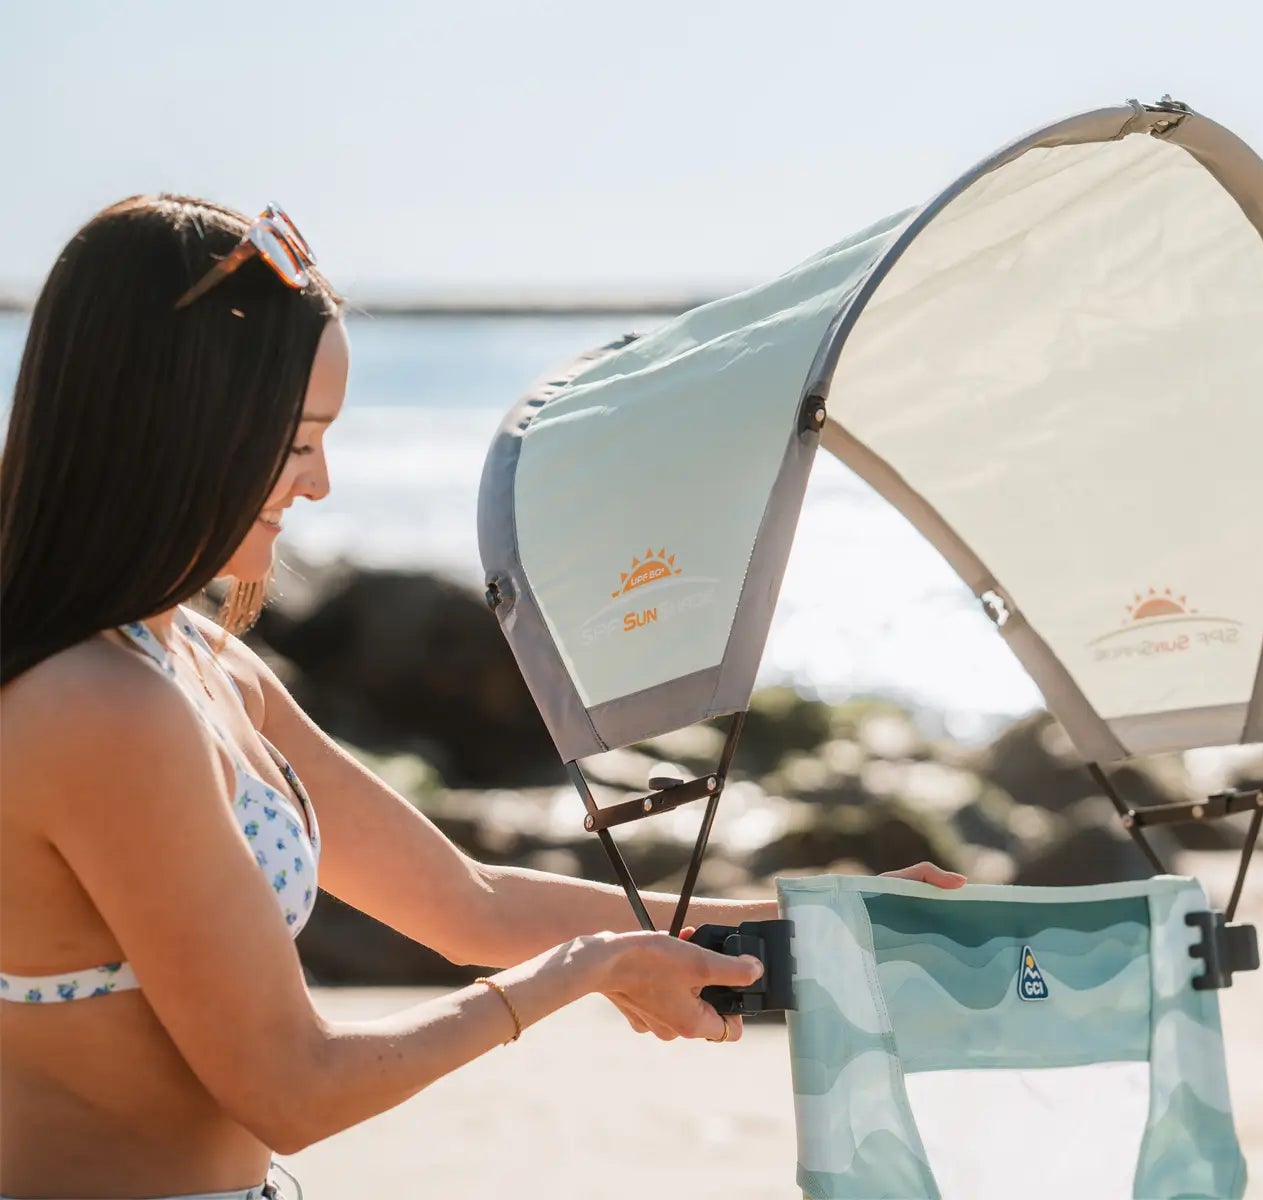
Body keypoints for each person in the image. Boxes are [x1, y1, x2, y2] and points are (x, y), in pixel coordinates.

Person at [0, 196, 964, 1200]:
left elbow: (470, 903)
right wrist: (583, 974)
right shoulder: (100, 711)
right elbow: (295, 1087)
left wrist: (834, 921)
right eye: (296, 443)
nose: (321, 484)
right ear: (172, 432)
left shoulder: (198, 661)